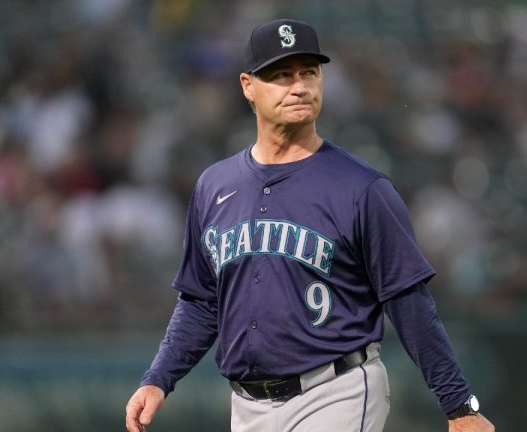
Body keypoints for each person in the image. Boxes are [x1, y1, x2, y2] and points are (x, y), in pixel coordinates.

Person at [125, 18, 495, 432]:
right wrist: (158, 378)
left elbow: (408, 300)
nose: (299, 86)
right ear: (248, 85)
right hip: (247, 406)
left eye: (309, 72)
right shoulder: (215, 186)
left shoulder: (362, 188)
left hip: (336, 390)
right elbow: (200, 301)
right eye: (282, 74)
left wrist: (459, 406)